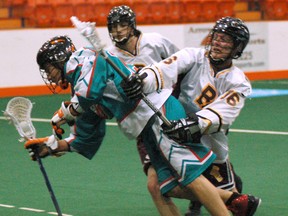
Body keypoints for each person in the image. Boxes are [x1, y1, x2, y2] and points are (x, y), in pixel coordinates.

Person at [24, 34, 260, 216]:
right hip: (144, 126)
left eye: (48, 68)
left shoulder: (85, 58)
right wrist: (51, 146)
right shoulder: (80, 92)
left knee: (190, 176)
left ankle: (230, 203)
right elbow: (85, 137)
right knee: (163, 186)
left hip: (157, 111)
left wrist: (69, 110)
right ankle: (232, 199)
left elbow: (89, 91)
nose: (49, 76)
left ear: (58, 60)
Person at [123, 16, 261, 216]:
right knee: (161, 185)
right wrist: (142, 80)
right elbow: (165, 69)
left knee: (237, 205)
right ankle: (205, 197)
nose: (218, 43)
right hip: (176, 137)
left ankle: (220, 192)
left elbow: (224, 112)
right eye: (217, 37)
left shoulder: (239, 82)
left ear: (237, 48)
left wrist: (194, 124)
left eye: (226, 40)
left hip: (210, 144)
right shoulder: (193, 56)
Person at [106, 5, 181, 215]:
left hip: (169, 113)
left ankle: (224, 195)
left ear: (132, 26)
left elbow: (181, 64)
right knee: (156, 185)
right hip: (143, 124)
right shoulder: (110, 56)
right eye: (114, 26)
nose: (118, 30)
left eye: (123, 25)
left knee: (186, 172)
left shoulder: (155, 41)